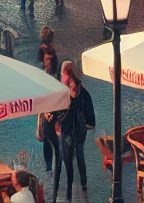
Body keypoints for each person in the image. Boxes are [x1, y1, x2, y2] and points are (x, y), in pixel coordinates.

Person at [56, 69, 95, 202]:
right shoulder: (76, 95)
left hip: (75, 132)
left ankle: (78, 186)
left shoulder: (81, 95)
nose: (69, 87)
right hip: (72, 131)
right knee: (72, 158)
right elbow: (60, 114)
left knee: (76, 157)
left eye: (70, 84)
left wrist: (88, 124)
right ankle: (73, 187)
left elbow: (89, 114)